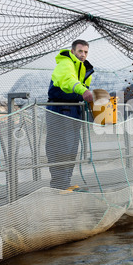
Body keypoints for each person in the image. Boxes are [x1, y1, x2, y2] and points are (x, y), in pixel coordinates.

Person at [45, 39, 94, 190]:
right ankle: (59, 185)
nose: (83, 55)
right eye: (80, 51)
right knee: (60, 147)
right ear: (73, 51)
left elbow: (81, 88)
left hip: (73, 111)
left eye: (85, 52)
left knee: (72, 149)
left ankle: (65, 184)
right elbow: (68, 81)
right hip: (60, 110)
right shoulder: (66, 63)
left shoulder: (85, 69)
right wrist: (83, 91)